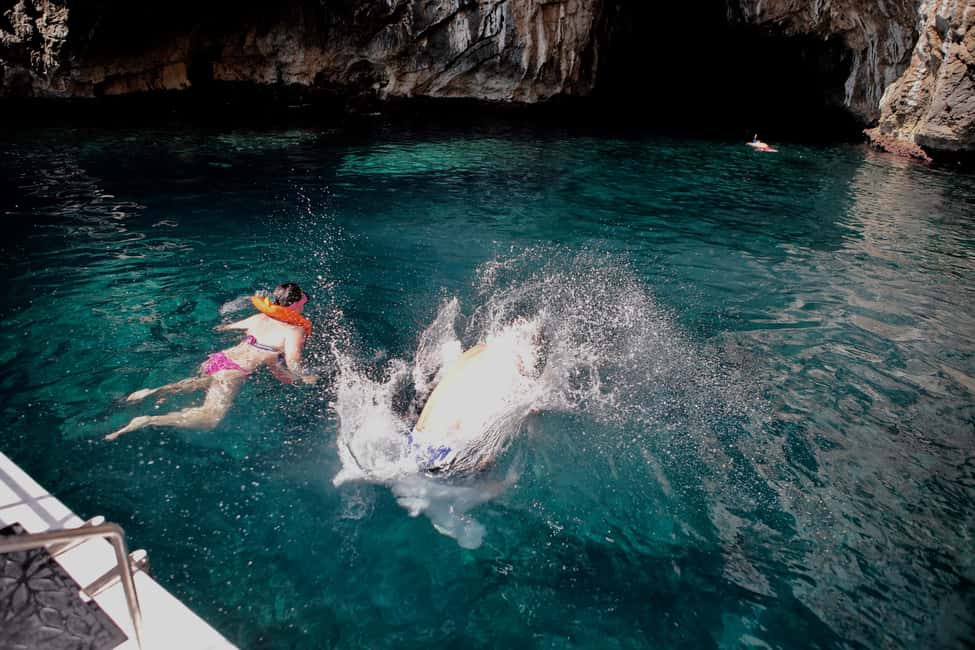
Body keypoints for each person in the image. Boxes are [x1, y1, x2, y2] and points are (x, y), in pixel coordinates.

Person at [106, 282, 318, 441]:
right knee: (210, 419)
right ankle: (148, 420)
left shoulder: (260, 318)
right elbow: (293, 362)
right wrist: (306, 376)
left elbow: (223, 328)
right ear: (295, 306)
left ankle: (154, 391)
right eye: (303, 302)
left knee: (202, 382)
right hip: (234, 371)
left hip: (219, 359)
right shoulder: (295, 330)